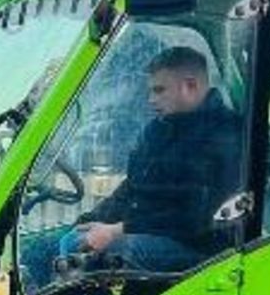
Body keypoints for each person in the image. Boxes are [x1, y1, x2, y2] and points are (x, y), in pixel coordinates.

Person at [46, 45, 244, 277]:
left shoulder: (228, 136)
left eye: (159, 91)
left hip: (201, 248)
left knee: (91, 251)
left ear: (190, 86)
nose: (151, 100)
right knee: (46, 247)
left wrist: (117, 230)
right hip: (148, 232)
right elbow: (131, 190)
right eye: (150, 91)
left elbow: (197, 216)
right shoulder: (158, 132)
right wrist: (90, 221)